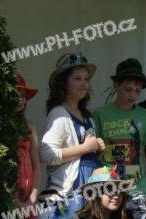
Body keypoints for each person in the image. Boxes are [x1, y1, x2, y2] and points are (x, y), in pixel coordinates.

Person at [40, 53, 104, 210]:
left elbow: (86, 155)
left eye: (86, 79)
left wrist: (98, 149)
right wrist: (85, 148)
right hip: (71, 190)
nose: (83, 83)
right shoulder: (58, 113)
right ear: (63, 83)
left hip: (91, 187)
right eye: (77, 78)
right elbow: (47, 155)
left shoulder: (87, 116)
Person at [93, 58, 146, 219]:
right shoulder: (99, 114)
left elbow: (141, 151)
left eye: (137, 90)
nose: (133, 95)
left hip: (137, 187)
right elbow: (95, 152)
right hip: (110, 188)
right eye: (128, 89)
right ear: (116, 86)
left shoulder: (144, 115)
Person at [14, 73, 41, 219]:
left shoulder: (30, 127)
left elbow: (37, 165)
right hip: (10, 198)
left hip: (28, 197)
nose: (19, 99)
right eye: (15, 95)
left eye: (22, 95)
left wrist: (32, 199)